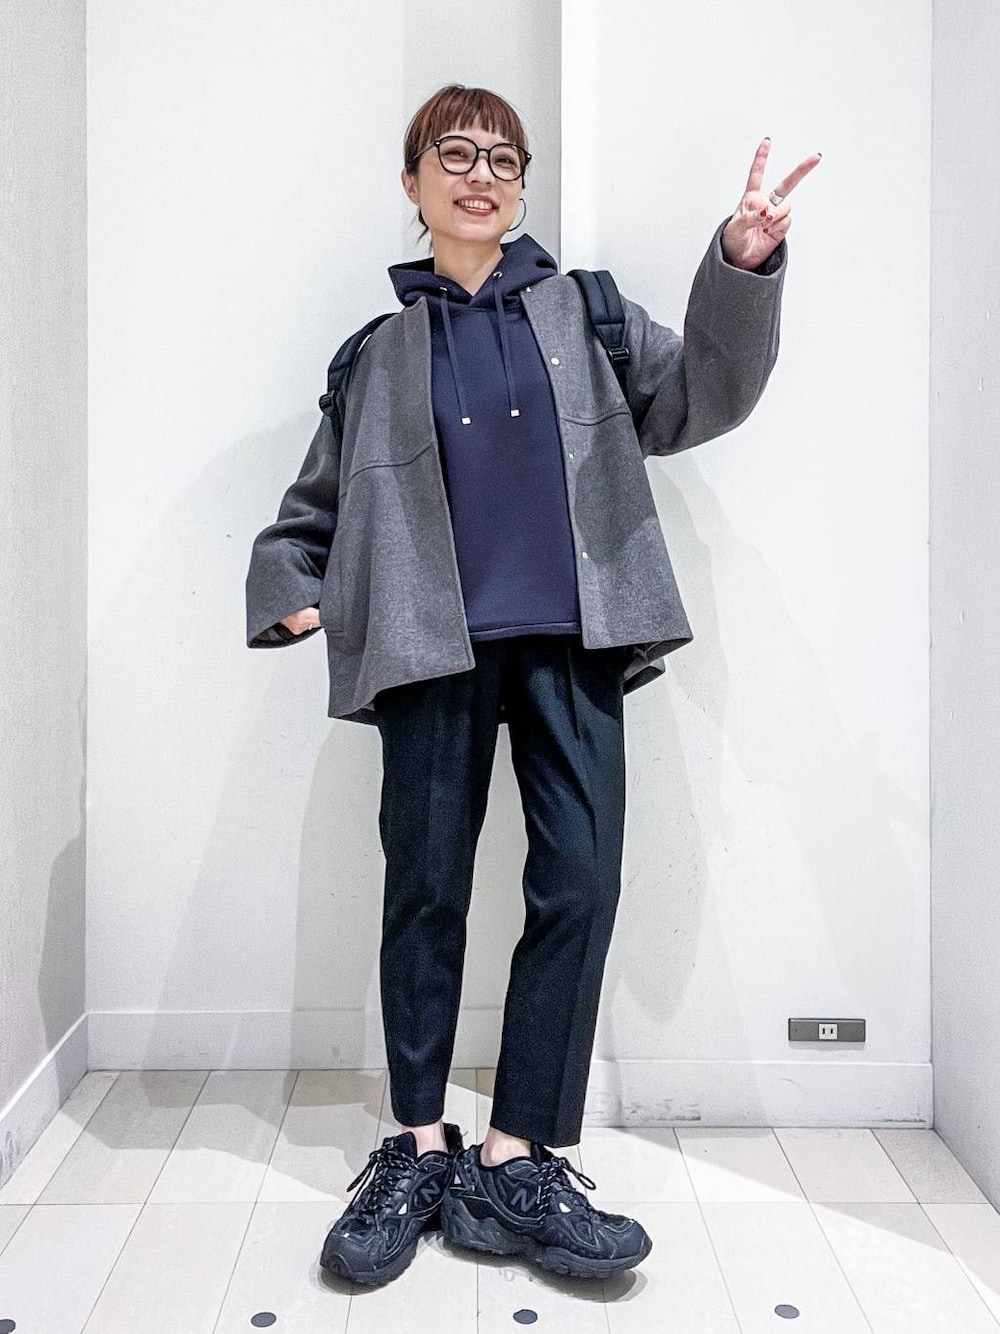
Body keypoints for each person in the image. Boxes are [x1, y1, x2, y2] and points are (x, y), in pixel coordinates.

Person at [245, 83, 818, 1288]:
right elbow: (312, 509)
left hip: (572, 641)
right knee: (426, 890)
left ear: (520, 187)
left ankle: (515, 1158)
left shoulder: (586, 313)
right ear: (412, 182)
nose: (480, 173)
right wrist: (291, 586)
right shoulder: (377, 353)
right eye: (453, 153)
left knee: (578, 882)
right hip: (431, 648)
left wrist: (741, 263)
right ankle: (417, 1146)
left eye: (503, 158)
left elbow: (703, 392)